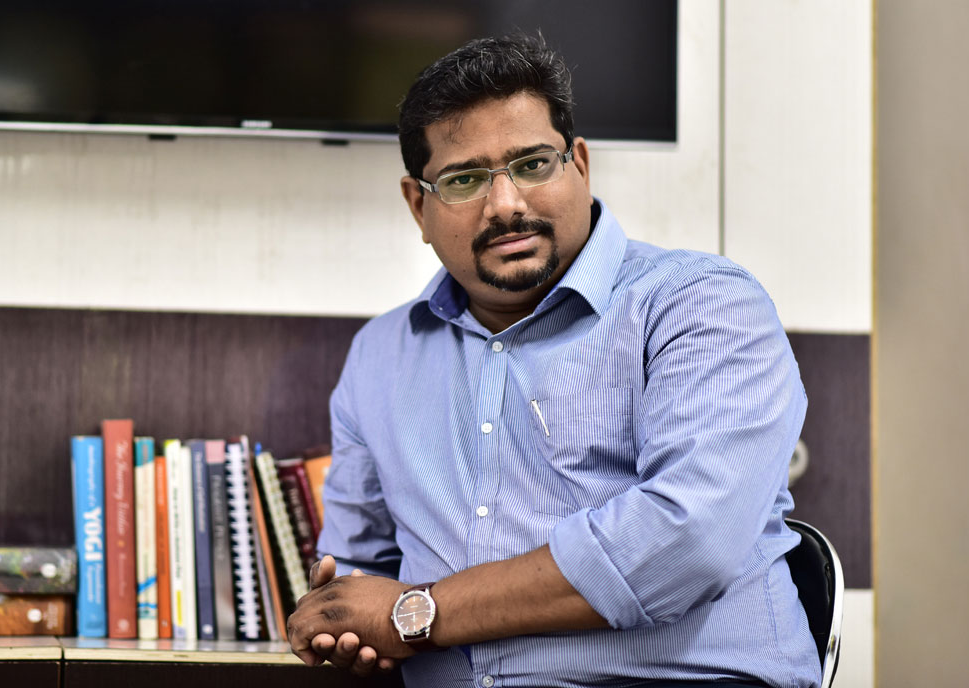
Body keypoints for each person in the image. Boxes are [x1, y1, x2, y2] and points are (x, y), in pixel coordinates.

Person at [287, 33, 821, 688]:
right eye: (463, 180)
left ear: (581, 165)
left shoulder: (699, 306)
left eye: (533, 165)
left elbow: (685, 544)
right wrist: (340, 617)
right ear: (416, 205)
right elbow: (358, 572)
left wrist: (414, 613)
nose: (507, 203)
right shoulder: (380, 355)